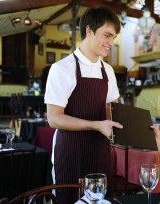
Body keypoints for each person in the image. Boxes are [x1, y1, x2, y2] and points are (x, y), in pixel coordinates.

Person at [44, 7, 123, 204]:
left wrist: (134, 128)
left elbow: (112, 111)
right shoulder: (62, 68)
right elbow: (53, 118)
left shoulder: (108, 71)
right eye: (107, 35)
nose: (111, 43)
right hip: (70, 153)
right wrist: (96, 125)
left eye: (114, 37)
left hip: (100, 152)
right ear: (89, 30)